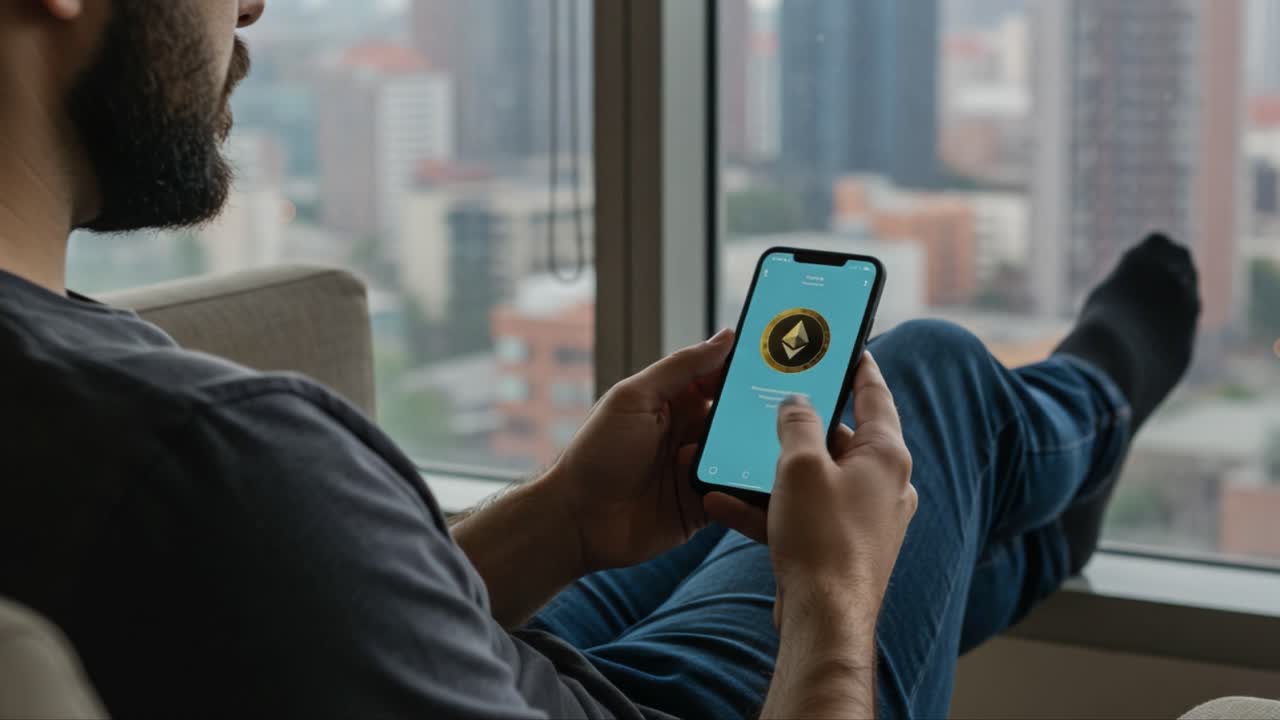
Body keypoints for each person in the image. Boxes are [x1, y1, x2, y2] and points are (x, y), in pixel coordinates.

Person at [0, 1, 1202, 718]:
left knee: (917, 476)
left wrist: (566, 520)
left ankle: (1029, 510)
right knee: (931, 383)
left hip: (504, 666)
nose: (252, 4)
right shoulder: (210, 460)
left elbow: (284, 637)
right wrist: (834, 606)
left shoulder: (98, 414)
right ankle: (1081, 419)